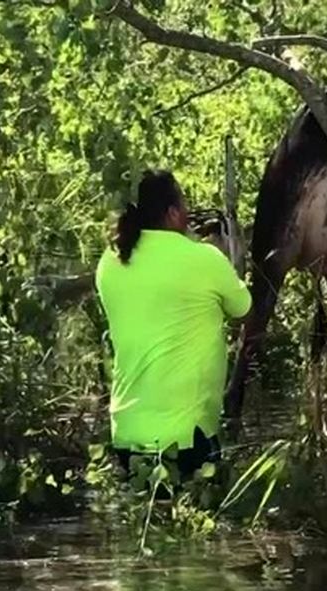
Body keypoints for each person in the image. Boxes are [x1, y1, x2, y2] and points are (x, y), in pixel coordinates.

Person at [95, 170, 251, 480]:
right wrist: (231, 255)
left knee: (143, 522)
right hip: (187, 437)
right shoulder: (204, 259)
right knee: (198, 521)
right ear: (173, 213)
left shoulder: (110, 261)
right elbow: (244, 309)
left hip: (127, 432)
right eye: (184, 205)